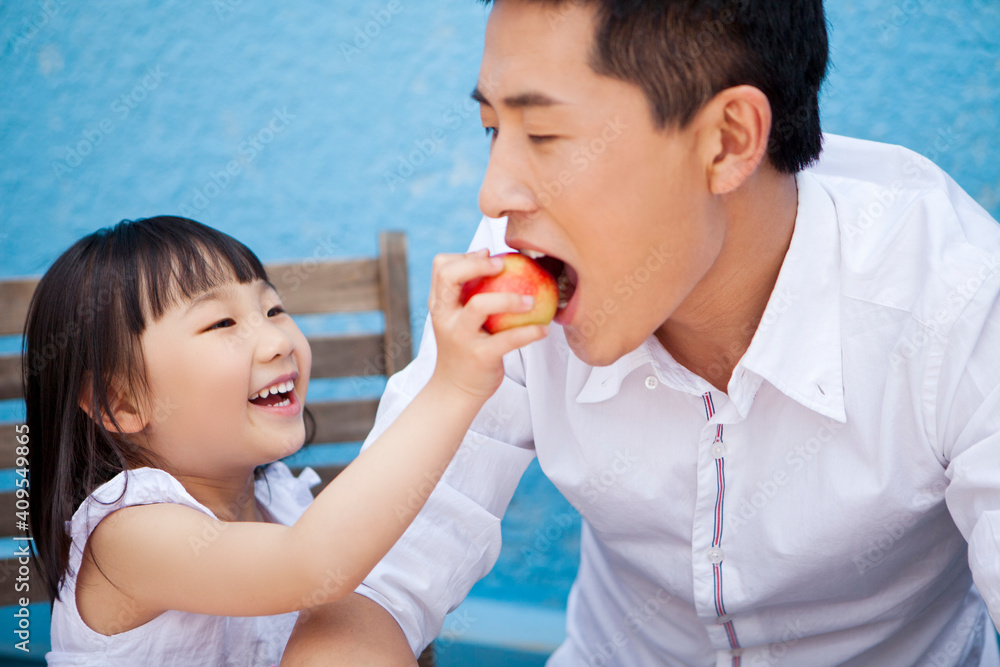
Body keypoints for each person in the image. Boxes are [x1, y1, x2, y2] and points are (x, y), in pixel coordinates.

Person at [280, 1, 1000, 666]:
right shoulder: (524, 263)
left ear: (727, 140)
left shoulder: (956, 298)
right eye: (494, 130)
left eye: (545, 134)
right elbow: (374, 579)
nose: (495, 194)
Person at [24, 215, 547, 666]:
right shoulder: (127, 537)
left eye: (273, 310)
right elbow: (314, 565)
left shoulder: (281, 501)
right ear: (121, 404)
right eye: (222, 322)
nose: (279, 341)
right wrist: (452, 388)